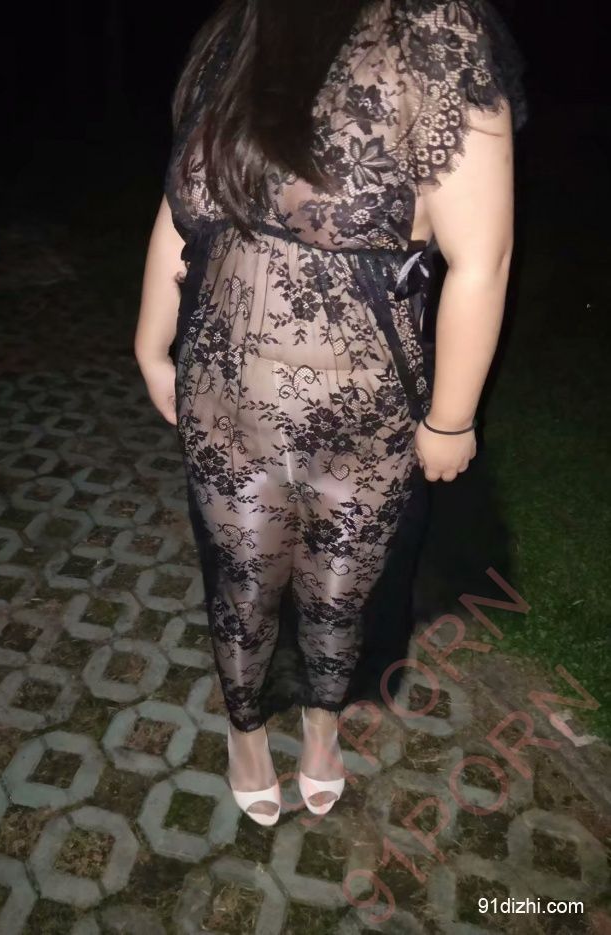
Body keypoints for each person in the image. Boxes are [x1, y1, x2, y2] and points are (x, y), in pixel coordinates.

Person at [134, 0, 526, 825]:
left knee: (339, 590)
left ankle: (321, 725)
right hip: (224, 394)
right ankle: (245, 731)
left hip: (365, 409)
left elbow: (481, 258)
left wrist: (451, 418)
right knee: (242, 582)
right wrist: (150, 340)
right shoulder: (243, 26)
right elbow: (182, 206)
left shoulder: (433, 31)